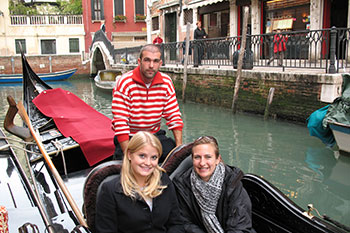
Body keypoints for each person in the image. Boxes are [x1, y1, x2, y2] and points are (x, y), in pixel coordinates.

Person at [95, 131, 184, 233]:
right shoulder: (110, 190)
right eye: (142, 156)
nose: (148, 163)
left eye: (153, 157)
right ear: (129, 155)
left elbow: (176, 223)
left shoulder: (164, 182)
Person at [111, 44, 183, 160]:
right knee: (123, 166)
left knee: (174, 155)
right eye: (147, 60)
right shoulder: (125, 82)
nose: (151, 66)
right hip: (131, 137)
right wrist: (127, 157)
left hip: (154, 135)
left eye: (155, 61)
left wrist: (179, 148)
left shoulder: (166, 82)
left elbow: (174, 116)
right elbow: (120, 123)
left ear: (160, 64)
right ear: (139, 62)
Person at [172, 136, 255, 233]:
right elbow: (184, 222)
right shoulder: (181, 184)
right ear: (192, 159)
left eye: (208, 157)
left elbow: (240, 226)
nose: (202, 163)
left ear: (217, 159)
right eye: (197, 157)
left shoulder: (233, 183)